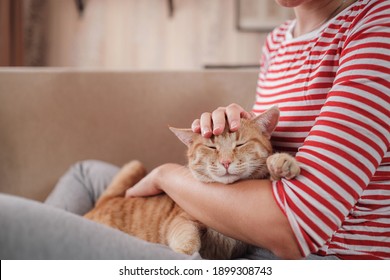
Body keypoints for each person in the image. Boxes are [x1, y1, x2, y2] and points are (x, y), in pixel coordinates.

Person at [0, 0, 389, 260]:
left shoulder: (377, 26)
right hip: (246, 201)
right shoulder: (277, 42)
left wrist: (169, 176)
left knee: (10, 222)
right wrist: (239, 126)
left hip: (302, 254)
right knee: (86, 174)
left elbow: (296, 225)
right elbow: (274, 146)